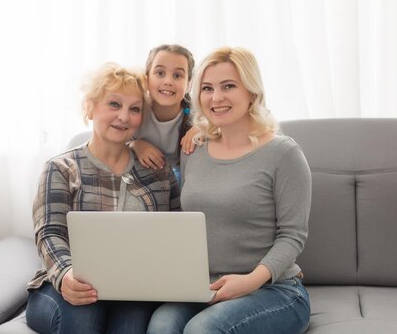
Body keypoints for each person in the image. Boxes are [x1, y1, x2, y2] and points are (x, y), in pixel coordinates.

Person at [147, 47, 312, 334]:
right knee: (161, 325)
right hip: (206, 287)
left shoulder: (284, 153)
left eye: (228, 86)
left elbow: (293, 235)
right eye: (207, 88)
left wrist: (249, 281)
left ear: (252, 92)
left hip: (274, 290)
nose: (216, 97)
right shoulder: (193, 149)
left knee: (202, 329)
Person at [25, 62, 180, 334]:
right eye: (114, 104)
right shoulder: (61, 168)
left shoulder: (157, 170)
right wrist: (66, 275)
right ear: (90, 108)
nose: (124, 116)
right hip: (65, 286)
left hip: (135, 290)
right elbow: (49, 233)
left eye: (134, 109)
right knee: (84, 315)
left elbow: (176, 232)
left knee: (132, 325)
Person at [129, 44, 198, 178]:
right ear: (147, 78)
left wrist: (203, 129)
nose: (168, 81)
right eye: (160, 73)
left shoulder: (197, 114)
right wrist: (134, 145)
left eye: (177, 75)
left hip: (182, 181)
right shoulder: (134, 108)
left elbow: (222, 129)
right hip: (142, 179)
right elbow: (114, 143)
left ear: (189, 84)